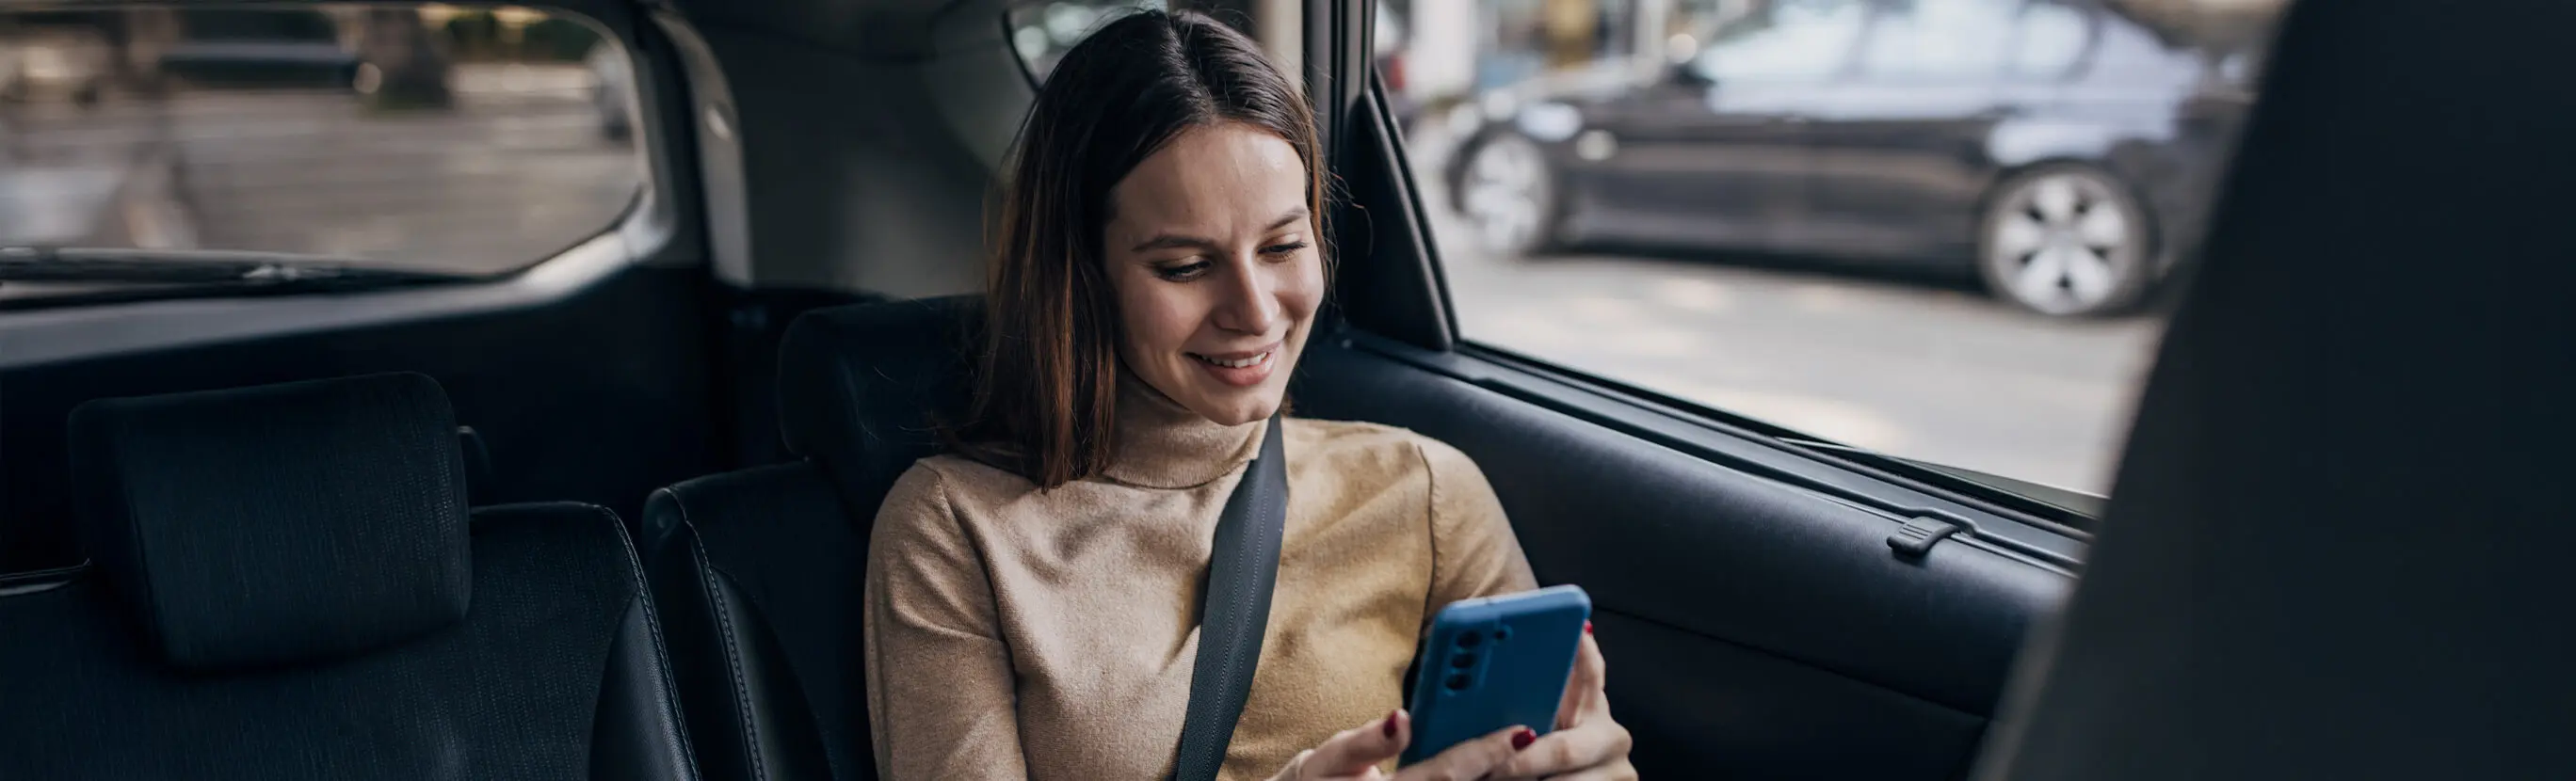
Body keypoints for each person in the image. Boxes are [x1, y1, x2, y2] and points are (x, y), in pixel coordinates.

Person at [861, 9, 1636, 781]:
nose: (1257, 312)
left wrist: (1587, 770)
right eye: (1186, 266)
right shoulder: (954, 529)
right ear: (1082, 276)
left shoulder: (1424, 490)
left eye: (1282, 247)